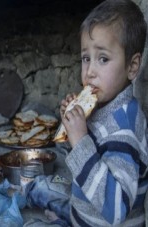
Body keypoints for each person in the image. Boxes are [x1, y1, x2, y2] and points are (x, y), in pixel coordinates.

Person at [25, 0, 148, 226]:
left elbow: (116, 209)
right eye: (85, 58)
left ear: (132, 67)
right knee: (43, 187)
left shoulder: (124, 128)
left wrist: (80, 139)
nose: (90, 71)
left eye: (103, 59)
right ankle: (38, 195)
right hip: (81, 215)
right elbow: (87, 161)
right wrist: (73, 123)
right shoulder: (102, 107)